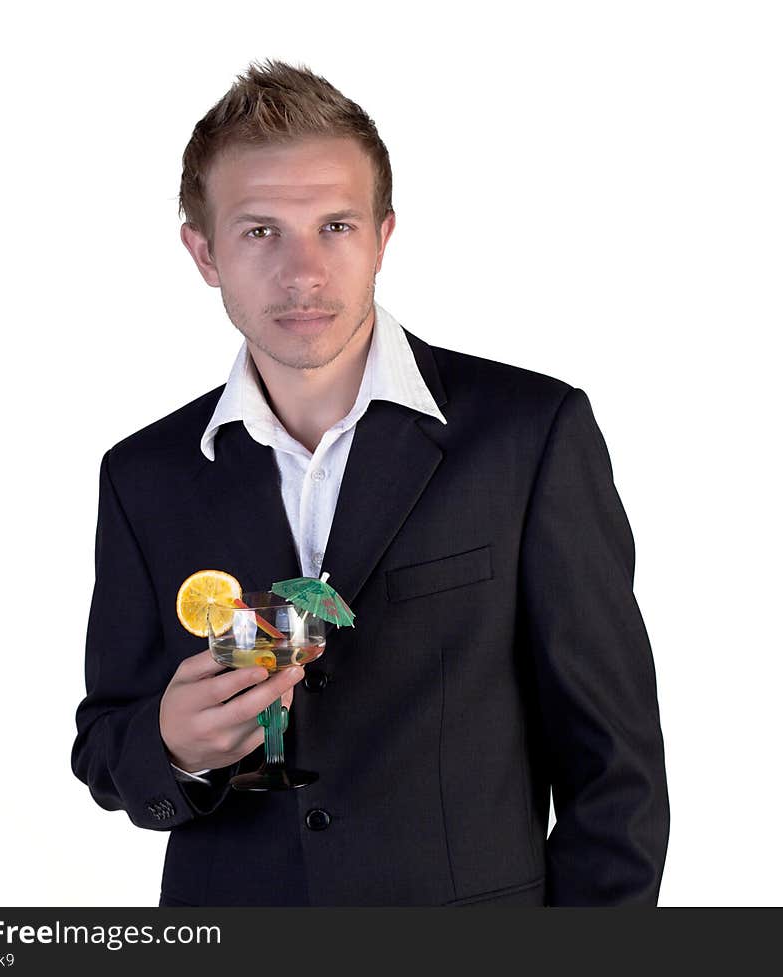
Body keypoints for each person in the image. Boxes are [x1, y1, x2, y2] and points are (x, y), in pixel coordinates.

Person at [71, 58, 670, 907]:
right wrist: (173, 745)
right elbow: (106, 749)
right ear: (202, 251)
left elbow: (617, 775)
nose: (303, 272)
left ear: (385, 235)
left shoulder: (529, 436)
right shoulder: (145, 475)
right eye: (260, 231)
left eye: (336, 226)